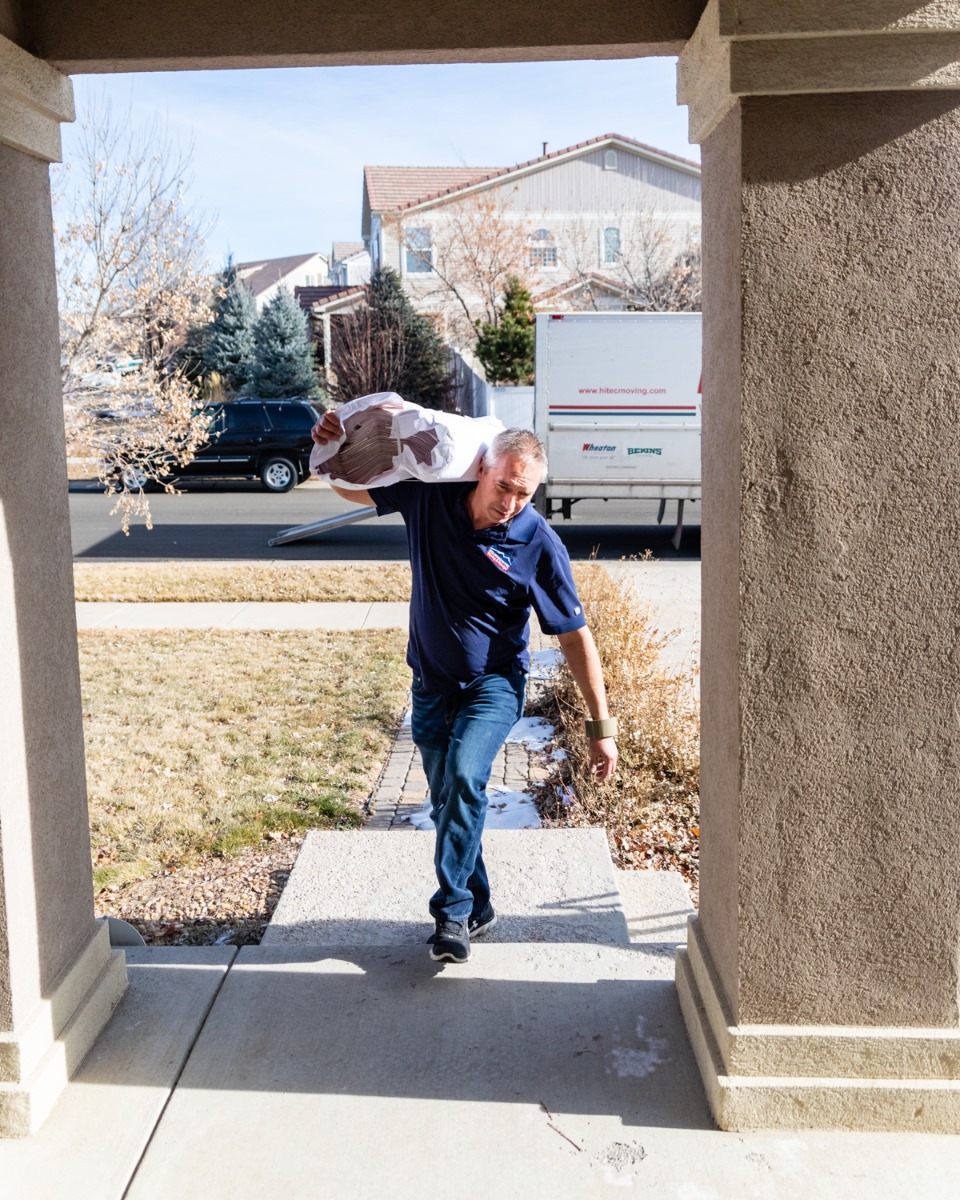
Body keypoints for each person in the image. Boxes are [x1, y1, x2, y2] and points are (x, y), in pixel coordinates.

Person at [312, 409, 618, 964]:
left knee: (463, 776)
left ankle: (450, 912)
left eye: (524, 493)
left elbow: (575, 637)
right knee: (446, 797)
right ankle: (479, 902)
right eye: (503, 486)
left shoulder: (537, 542)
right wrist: (331, 447)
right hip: (429, 681)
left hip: (495, 685)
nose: (510, 503)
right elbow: (348, 490)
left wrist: (601, 729)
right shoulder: (428, 500)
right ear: (481, 468)